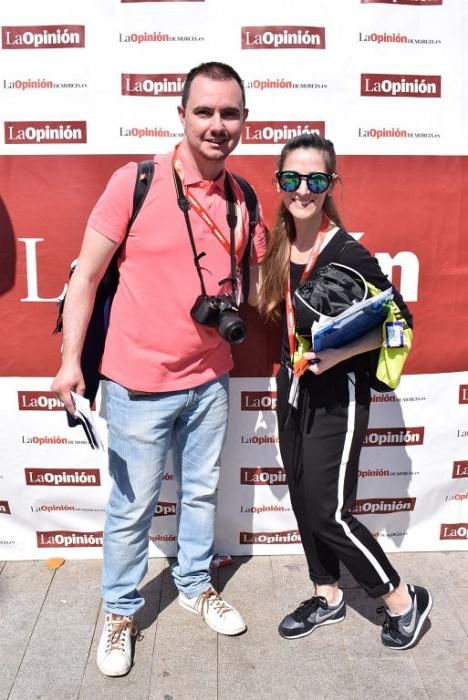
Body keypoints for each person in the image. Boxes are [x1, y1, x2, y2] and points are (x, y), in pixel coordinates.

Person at [51, 61, 267, 677]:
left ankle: (196, 583)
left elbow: (261, 276)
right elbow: (85, 276)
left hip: (210, 381)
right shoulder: (135, 182)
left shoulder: (244, 197)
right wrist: (71, 363)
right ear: (181, 116)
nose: (217, 125)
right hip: (137, 383)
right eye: (204, 111)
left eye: (230, 113)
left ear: (244, 123)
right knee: (131, 507)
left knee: (199, 494)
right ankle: (120, 610)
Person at [257, 133, 431, 650]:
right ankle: (328, 595)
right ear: (279, 183)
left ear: (331, 184)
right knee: (302, 499)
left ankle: (402, 598)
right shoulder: (277, 244)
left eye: (315, 179)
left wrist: (339, 355)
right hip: (295, 387)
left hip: (340, 393)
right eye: (291, 178)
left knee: (329, 510)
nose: (303, 189)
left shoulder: (350, 253)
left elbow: (401, 325)